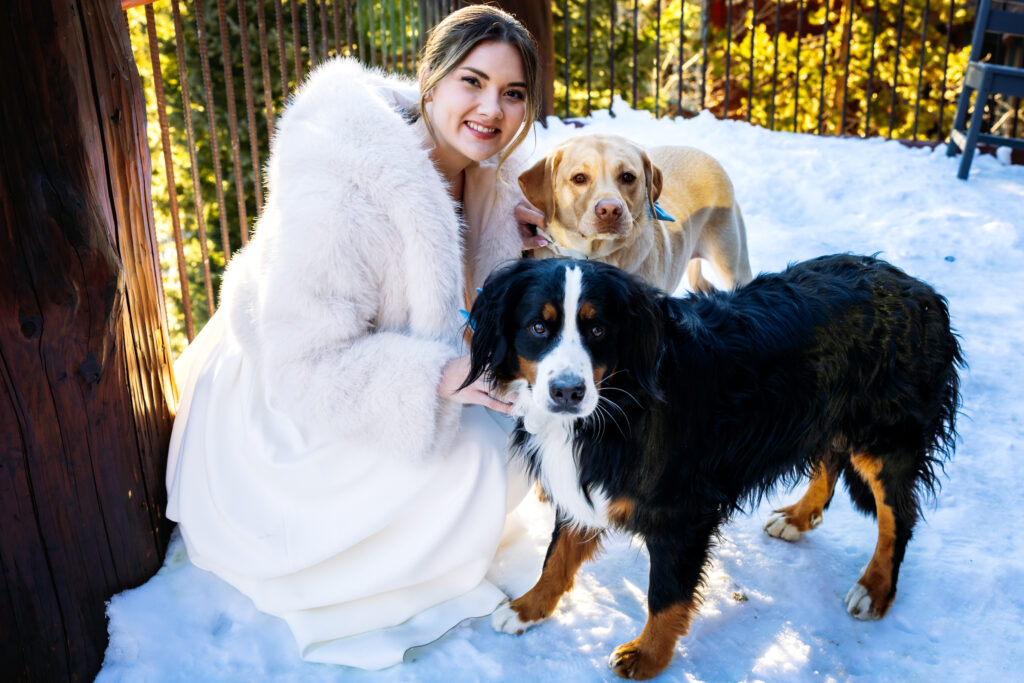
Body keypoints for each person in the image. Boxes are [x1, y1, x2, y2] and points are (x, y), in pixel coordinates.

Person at [165, 6, 547, 669]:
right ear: (430, 82)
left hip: (382, 355)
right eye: (472, 82)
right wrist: (438, 378)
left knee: (512, 429)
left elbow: (481, 298)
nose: (493, 108)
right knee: (481, 454)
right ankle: (363, 566)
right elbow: (303, 363)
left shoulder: (495, 179)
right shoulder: (344, 184)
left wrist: (529, 255)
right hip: (296, 391)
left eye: (512, 93)